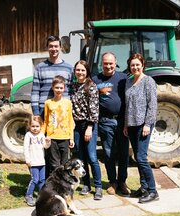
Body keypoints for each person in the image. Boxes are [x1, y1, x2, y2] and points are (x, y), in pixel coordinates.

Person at [92, 52, 130, 196]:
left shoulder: (123, 78)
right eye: (105, 63)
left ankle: (122, 182)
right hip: (105, 121)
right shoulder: (96, 80)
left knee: (124, 153)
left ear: (115, 63)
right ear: (102, 63)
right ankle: (112, 182)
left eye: (111, 63)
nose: (108, 66)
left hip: (122, 121)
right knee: (108, 153)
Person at [123, 53, 159, 203]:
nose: (135, 67)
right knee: (138, 158)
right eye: (132, 65)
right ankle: (143, 188)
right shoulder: (129, 82)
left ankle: (152, 191)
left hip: (143, 125)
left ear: (142, 65)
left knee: (141, 158)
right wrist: (126, 124)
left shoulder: (148, 81)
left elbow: (152, 104)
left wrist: (147, 124)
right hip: (131, 125)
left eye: (137, 64)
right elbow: (128, 106)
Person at [70, 60, 103, 200]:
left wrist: (89, 127)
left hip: (88, 125)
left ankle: (99, 186)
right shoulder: (72, 86)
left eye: (83, 70)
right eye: (78, 70)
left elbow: (94, 109)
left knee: (92, 157)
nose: (80, 72)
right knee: (81, 157)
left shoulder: (91, 86)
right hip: (76, 126)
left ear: (87, 71)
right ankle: (86, 184)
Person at [31, 35, 73, 118]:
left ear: (60, 47)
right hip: (44, 111)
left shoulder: (69, 68)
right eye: (51, 46)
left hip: (63, 111)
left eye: (56, 46)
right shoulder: (40, 68)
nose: (54, 49)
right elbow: (35, 91)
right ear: (47, 48)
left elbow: (72, 91)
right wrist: (36, 112)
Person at [43, 75, 75, 177]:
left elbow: (70, 121)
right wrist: (43, 136)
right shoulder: (48, 103)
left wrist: (71, 138)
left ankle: (64, 184)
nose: (59, 90)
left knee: (65, 163)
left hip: (65, 138)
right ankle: (55, 184)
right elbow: (46, 121)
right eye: (56, 87)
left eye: (61, 88)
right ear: (52, 88)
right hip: (52, 138)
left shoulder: (68, 103)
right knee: (54, 164)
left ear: (64, 88)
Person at [24, 115, 51, 207]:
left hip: (41, 162)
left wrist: (48, 142)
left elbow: (45, 146)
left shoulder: (41, 135)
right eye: (33, 126)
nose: (35, 128)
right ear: (29, 126)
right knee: (34, 179)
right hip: (33, 162)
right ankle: (29, 195)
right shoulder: (28, 135)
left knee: (42, 180)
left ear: (41, 126)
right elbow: (25, 148)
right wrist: (27, 160)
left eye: (37, 126)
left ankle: (41, 196)